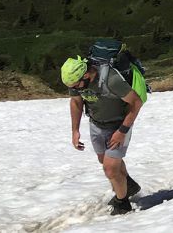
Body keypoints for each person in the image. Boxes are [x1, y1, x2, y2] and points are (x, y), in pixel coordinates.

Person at [62, 55, 144, 215]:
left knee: (111, 170)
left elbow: (136, 102)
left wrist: (122, 131)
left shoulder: (111, 80)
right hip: (96, 124)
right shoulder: (77, 81)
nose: (75, 89)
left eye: (76, 85)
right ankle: (128, 185)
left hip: (119, 125)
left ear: (86, 75)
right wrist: (75, 131)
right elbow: (76, 102)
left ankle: (123, 204)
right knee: (104, 160)